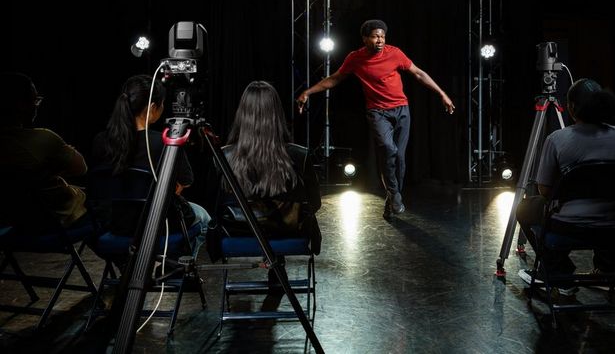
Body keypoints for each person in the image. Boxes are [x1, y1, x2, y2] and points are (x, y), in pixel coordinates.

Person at [296, 19, 455, 220]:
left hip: (402, 111)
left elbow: (418, 73)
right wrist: (308, 92)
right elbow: (335, 78)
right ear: (365, 39)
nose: (379, 40)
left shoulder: (395, 53)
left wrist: (442, 93)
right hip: (377, 113)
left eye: (382, 36)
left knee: (399, 158)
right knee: (388, 150)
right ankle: (395, 195)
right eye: (375, 36)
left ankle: (391, 197)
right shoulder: (355, 58)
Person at [516, 78, 615, 295]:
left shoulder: (557, 139)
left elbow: (545, 190)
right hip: (613, 228)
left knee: (525, 207)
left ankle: (559, 274)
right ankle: (606, 271)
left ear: (570, 107)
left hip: (567, 228)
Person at [91, 74, 211, 257]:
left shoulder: (100, 141)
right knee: (204, 217)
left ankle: (128, 269)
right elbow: (184, 182)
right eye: (162, 104)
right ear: (153, 107)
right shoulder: (164, 142)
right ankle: (173, 271)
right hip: (157, 226)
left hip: (115, 225)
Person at [220, 80, 321, 255]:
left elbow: (215, 203)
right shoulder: (299, 155)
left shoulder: (223, 157)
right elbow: (314, 203)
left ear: (242, 114)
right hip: (289, 234)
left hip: (237, 235)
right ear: (277, 114)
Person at [0, 71, 93, 231]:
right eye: (35, 100)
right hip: (56, 222)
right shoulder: (43, 139)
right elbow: (81, 168)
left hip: (17, 226)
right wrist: (53, 165)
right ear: (22, 104)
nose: (36, 106)